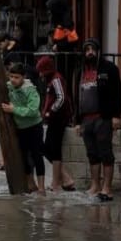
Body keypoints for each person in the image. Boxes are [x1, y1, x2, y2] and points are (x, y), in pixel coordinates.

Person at [77, 38, 121, 202]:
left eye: (92, 49)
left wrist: (117, 115)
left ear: (98, 51)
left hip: (103, 118)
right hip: (86, 119)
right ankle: (95, 185)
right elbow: (77, 95)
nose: (90, 52)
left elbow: (118, 93)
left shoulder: (109, 68)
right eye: (87, 49)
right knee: (92, 154)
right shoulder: (80, 70)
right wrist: (77, 121)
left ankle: (107, 188)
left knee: (105, 153)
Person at [1, 62, 46, 195]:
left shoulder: (30, 90)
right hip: (20, 128)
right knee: (24, 156)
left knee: (37, 156)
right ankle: (31, 183)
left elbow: (33, 110)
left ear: (23, 77)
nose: (13, 80)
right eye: (11, 76)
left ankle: (42, 187)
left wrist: (14, 109)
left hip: (34, 127)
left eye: (17, 77)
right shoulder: (9, 87)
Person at [35, 56, 77, 192]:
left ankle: (58, 182)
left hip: (59, 118)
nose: (40, 75)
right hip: (54, 118)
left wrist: (50, 112)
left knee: (53, 149)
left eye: (41, 71)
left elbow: (61, 97)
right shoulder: (50, 80)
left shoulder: (56, 79)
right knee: (48, 148)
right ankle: (64, 179)